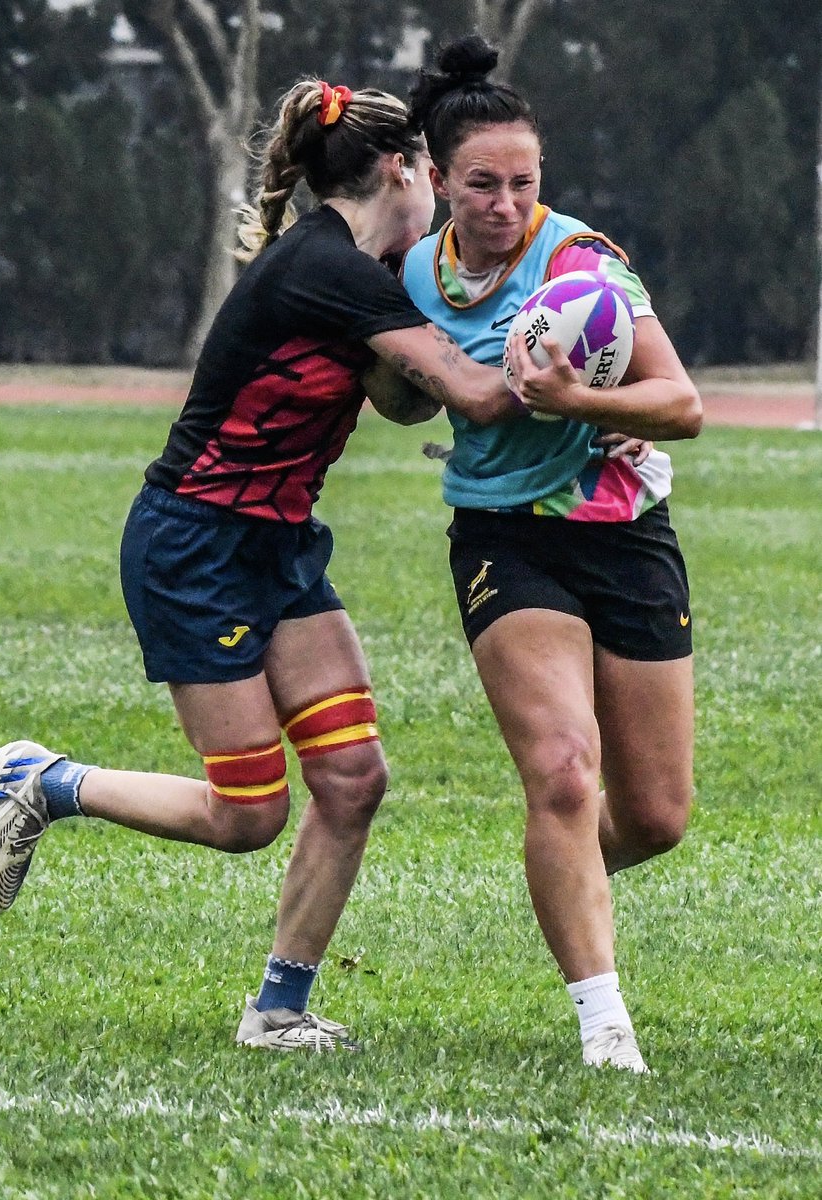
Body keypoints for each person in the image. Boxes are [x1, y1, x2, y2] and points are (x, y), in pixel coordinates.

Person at [0, 78, 522, 1051]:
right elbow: (470, 398)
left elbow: (408, 401)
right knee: (248, 813)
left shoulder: (359, 267)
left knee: (352, 779)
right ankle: (46, 780)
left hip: (276, 543)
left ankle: (277, 1011)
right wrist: (596, 385)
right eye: (440, 171)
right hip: (195, 546)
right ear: (403, 169)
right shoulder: (329, 270)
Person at [402, 36, 703, 1073]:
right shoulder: (412, 272)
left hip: (625, 534)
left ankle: (556, 867)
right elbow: (395, 387)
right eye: (481, 184)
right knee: (567, 776)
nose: (504, 203)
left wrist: (582, 402)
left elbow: (682, 404)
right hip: (502, 535)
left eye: (523, 182)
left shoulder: (582, 259)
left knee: (657, 816)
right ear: (438, 180)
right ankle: (604, 1026)